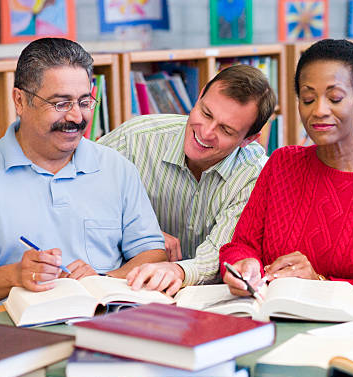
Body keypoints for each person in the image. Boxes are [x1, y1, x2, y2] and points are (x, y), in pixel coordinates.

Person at [220, 39, 353, 300]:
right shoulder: (282, 164)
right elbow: (242, 245)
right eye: (308, 99)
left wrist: (320, 283)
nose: (319, 111)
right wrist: (245, 265)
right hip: (276, 318)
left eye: (335, 98)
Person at [0, 38, 166, 308]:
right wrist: (14, 275)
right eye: (61, 104)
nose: (76, 117)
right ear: (20, 100)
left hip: (104, 321)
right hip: (15, 329)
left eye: (84, 102)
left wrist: (104, 279)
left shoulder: (117, 168)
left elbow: (152, 253)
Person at [98, 65, 276, 295]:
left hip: (207, 300)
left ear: (249, 139)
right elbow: (76, 192)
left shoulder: (255, 174)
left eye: (226, 130)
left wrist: (177, 271)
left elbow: (218, 253)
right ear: (200, 95)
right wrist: (139, 232)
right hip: (124, 287)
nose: (206, 132)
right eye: (206, 113)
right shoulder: (135, 138)